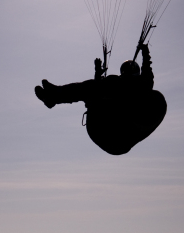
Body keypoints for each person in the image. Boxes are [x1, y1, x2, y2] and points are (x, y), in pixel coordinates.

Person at [35, 43, 166, 155]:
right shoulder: (122, 88)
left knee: (94, 87)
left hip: (118, 134)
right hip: (103, 130)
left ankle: (54, 96)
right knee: (93, 88)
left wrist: (145, 53)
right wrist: (98, 73)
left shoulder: (140, 89)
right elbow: (98, 90)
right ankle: (52, 96)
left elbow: (147, 76)